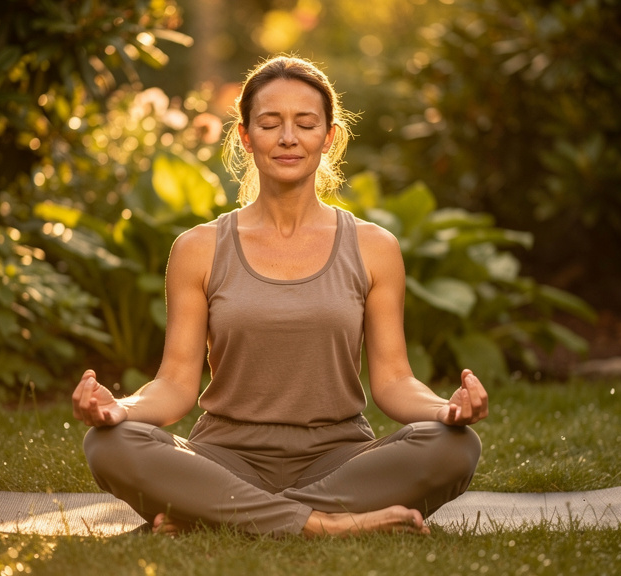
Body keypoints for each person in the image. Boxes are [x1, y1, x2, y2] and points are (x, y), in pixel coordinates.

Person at [72, 56, 488, 537]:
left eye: (305, 124)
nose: (288, 137)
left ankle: (214, 515)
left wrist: (445, 410)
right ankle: (324, 525)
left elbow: (394, 381)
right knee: (108, 444)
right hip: (224, 458)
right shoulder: (198, 248)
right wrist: (118, 410)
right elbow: (175, 385)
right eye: (270, 124)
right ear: (246, 137)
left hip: (339, 460)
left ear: (328, 137)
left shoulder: (374, 247)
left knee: (456, 445)